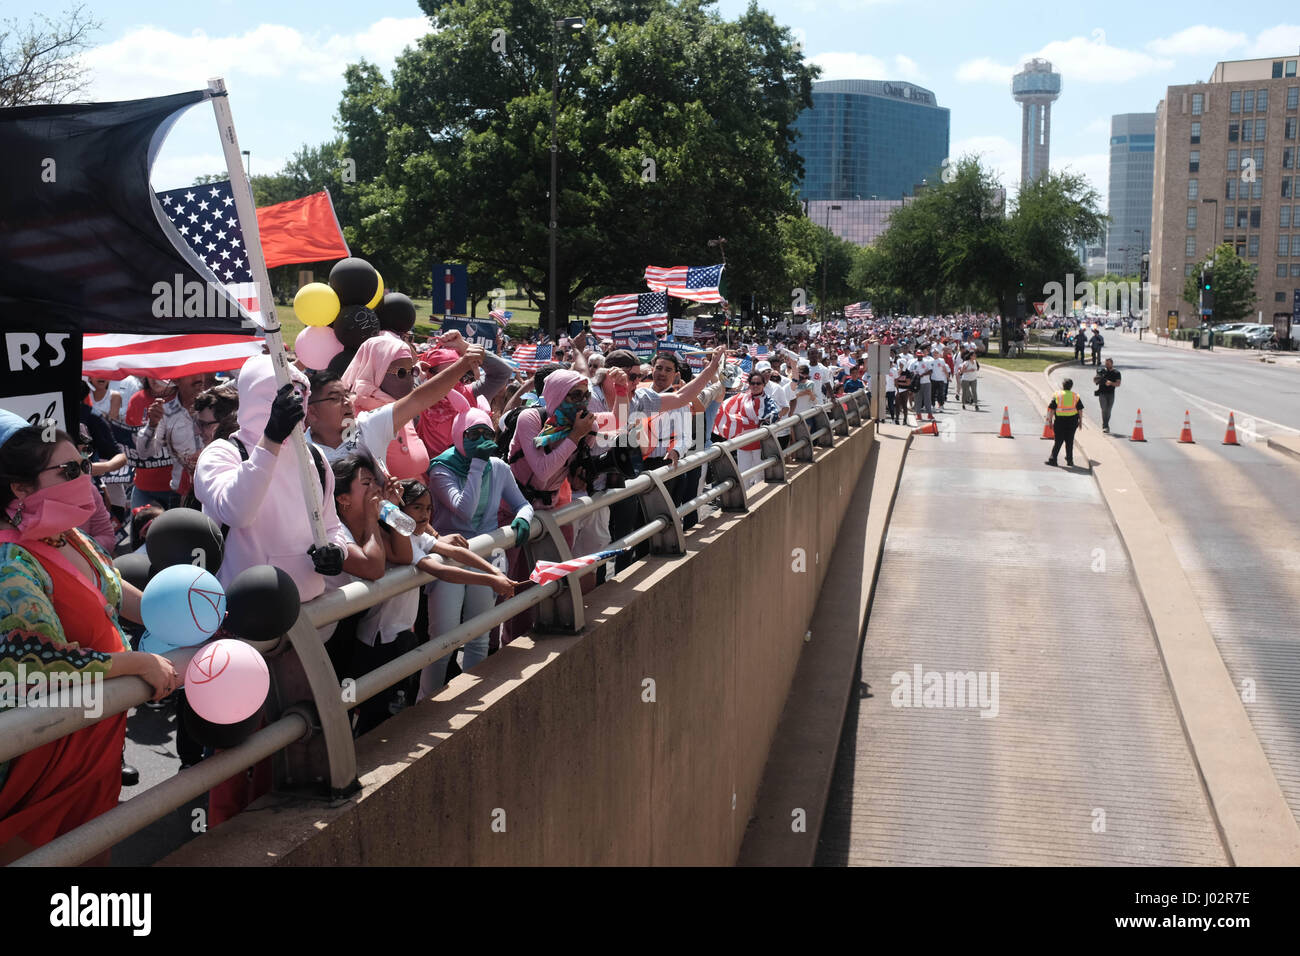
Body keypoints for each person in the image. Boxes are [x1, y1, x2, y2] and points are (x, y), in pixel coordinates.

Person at [0, 411, 178, 864]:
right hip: (46, 749)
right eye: (69, 470)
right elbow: (33, 664)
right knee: (44, 850)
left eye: (83, 461)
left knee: (92, 845)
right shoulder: (9, 560)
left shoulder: (69, 536)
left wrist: (195, 614)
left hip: (97, 729)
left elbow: (114, 592)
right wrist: (138, 663)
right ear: (20, 489)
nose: (84, 474)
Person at [1045, 377, 1084, 468]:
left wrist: (1050, 420)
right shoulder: (1075, 396)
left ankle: (1053, 459)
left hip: (1060, 421)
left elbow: (1052, 409)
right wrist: (1081, 421)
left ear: (1063, 386)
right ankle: (1070, 460)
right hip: (1072, 421)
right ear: (1071, 386)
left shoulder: (1057, 395)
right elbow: (1080, 410)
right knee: (1069, 441)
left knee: (1058, 440)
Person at [1093, 358, 1122, 434]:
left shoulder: (1116, 372)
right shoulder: (1101, 371)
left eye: (1108, 364)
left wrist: (1110, 383)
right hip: (1102, 393)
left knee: (1108, 410)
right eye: (1106, 363)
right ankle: (1105, 426)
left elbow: (1118, 384)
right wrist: (1098, 379)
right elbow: (1095, 380)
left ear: (1112, 364)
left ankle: (1106, 424)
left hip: (1111, 394)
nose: (1107, 365)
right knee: (1104, 409)